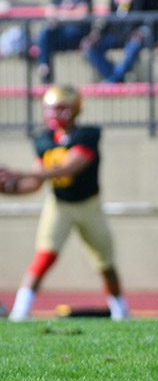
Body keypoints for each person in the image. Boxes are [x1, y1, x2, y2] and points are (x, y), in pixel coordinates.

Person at [0, 85, 130, 321]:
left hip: (89, 205)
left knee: (105, 263)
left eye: (60, 108)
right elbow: (35, 182)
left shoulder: (87, 135)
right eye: (50, 108)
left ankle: (121, 310)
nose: (53, 114)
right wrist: (8, 188)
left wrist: (19, 173)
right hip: (59, 205)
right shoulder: (43, 139)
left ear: (74, 109)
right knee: (44, 255)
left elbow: (71, 166)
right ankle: (20, 311)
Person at [34, 0, 93, 84]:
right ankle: (44, 68)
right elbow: (49, 13)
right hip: (62, 33)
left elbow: (82, 13)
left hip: (77, 34)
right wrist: (69, 13)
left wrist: (61, 14)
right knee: (44, 34)